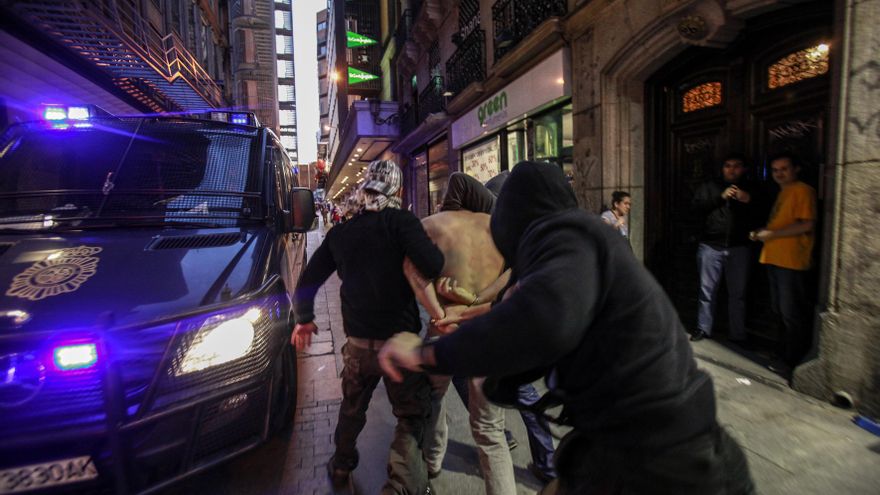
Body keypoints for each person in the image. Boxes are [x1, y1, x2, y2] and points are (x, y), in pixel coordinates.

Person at [379, 161, 755, 495]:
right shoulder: (572, 242)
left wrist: (424, 354)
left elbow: (541, 319)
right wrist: (462, 318)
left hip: (667, 462)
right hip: (627, 444)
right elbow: (511, 304)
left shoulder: (567, 233)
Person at [292, 160, 444, 494]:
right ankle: (403, 484)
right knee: (410, 416)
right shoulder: (402, 222)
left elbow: (308, 280)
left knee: (352, 409)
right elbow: (434, 265)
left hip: (358, 346)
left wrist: (304, 319)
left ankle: (342, 465)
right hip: (399, 347)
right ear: (397, 189)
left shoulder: (342, 233)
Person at [433, 171, 558, 484]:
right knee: (505, 395)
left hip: (504, 328)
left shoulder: (502, 224)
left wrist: (449, 217)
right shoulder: (517, 241)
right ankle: (543, 461)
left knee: (519, 394)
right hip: (500, 326)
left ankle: (544, 461)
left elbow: (460, 181)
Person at [404, 172, 516, 495]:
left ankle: (434, 460)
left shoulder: (432, 225)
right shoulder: (501, 230)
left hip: (444, 334)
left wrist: (440, 312)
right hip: (487, 334)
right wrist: (476, 303)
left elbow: (412, 269)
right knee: (491, 431)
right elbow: (511, 279)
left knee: (434, 401)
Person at [750, 153, 817, 373]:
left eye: (784, 168)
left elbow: (807, 225)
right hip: (774, 258)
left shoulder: (803, 190)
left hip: (791, 261)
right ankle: (782, 352)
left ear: (796, 169)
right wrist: (763, 233)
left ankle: (794, 359)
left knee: (791, 312)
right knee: (779, 310)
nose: (779, 173)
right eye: (775, 170)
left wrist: (772, 233)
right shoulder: (783, 192)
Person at [690, 153, 764, 344]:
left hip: (739, 247)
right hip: (710, 246)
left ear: (744, 169)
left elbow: (764, 211)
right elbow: (696, 208)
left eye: (737, 166)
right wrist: (720, 197)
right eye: (728, 166)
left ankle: (737, 334)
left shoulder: (752, 188)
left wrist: (748, 199)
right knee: (706, 291)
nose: (732, 170)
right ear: (722, 168)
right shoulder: (709, 186)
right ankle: (703, 328)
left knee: (737, 294)